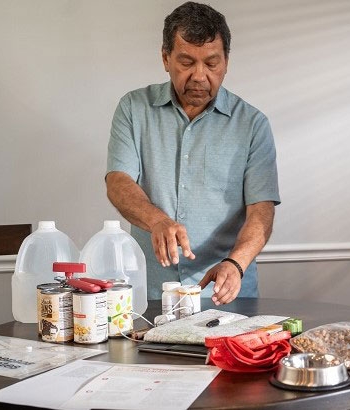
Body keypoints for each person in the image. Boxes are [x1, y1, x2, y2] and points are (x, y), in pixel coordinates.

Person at [106, 2, 280, 305]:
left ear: (226, 61)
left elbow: (261, 210)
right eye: (187, 62)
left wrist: (236, 263)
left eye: (211, 64)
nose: (199, 76)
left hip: (226, 293)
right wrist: (157, 220)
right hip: (151, 292)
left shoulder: (253, 124)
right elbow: (118, 181)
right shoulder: (134, 108)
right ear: (165, 58)